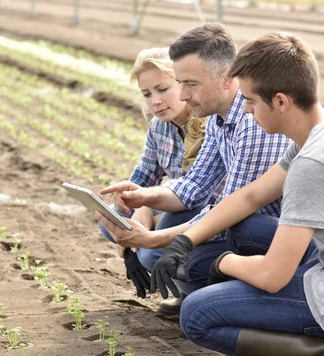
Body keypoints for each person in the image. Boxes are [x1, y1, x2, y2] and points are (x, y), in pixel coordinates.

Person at [151, 32, 324, 355]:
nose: (245, 111)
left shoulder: (315, 162)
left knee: (197, 314)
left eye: (251, 101)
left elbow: (272, 277)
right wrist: (186, 240)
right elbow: (251, 196)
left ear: (281, 101)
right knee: (243, 227)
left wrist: (223, 264)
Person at [98, 23, 291, 315]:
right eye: (181, 83)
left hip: (274, 234)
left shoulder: (253, 122)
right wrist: (144, 197)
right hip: (239, 225)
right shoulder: (217, 118)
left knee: (182, 260)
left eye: (189, 84)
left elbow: (230, 210)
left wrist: (158, 239)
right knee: (158, 244)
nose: (183, 95)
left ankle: (250, 301)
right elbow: (195, 186)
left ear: (225, 78)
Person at [98, 47, 212, 300]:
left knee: (150, 248)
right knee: (112, 220)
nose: (155, 101)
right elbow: (142, 178)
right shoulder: (158, 127)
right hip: (176, 203)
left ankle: (194, 296)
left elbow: (206, 195)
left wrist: (148, 226)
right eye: (147, 94)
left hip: (208, 212)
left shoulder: (209, 125)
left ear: (182, 84)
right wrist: (136, 206)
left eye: (163, 89)